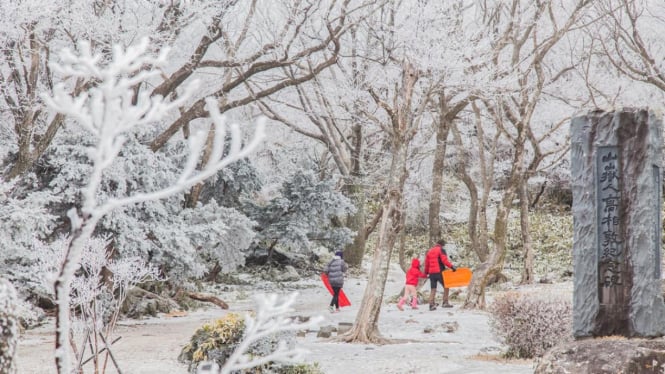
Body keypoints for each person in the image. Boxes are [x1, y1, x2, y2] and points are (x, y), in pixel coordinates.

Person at [424, 239, 456, 310]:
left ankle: (431, 304)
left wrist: (426, 272)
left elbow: (427, 263)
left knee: (433, 288)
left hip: (431, 273)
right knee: (446, 286)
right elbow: (444, 260)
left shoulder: (430, 251)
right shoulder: (441, 250)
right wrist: (452, 267)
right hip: (439, 271)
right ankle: (445, 302)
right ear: (442, 245)